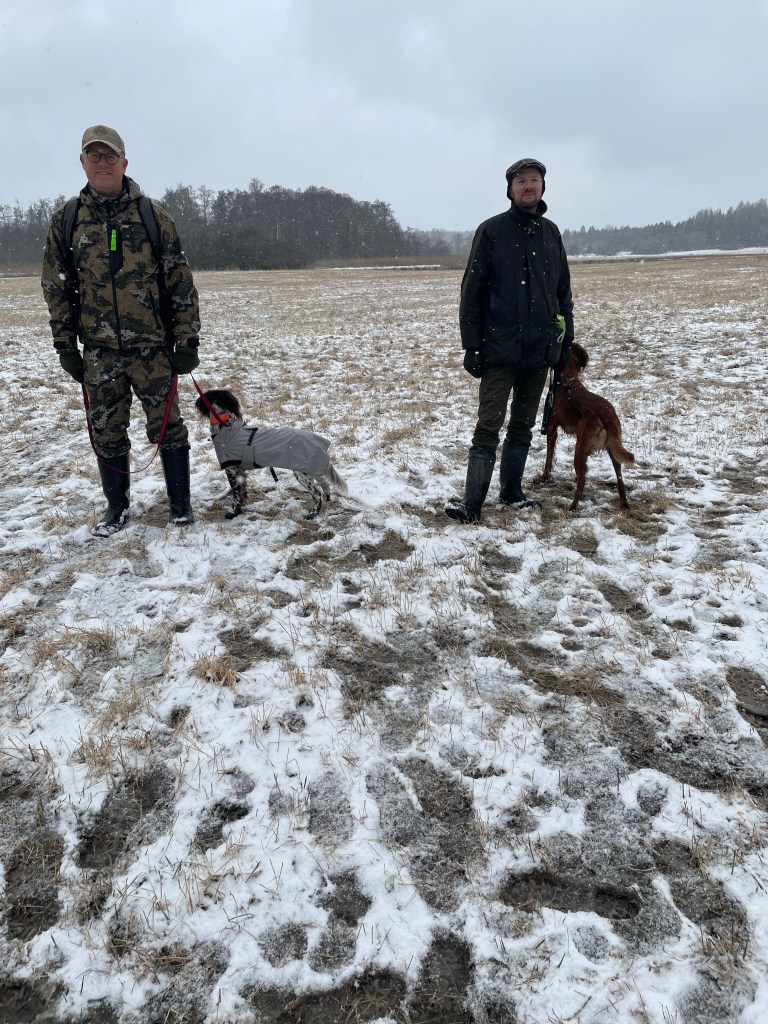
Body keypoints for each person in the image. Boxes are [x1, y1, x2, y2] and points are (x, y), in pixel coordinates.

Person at [41, 124, 201, 534]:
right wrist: (65, 346)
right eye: (94, 155)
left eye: (110, 155)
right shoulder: (67, 221)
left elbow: (179, 282)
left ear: (124, 162)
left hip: (153, 350)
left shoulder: (153, 216)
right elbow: (56, 288)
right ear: (82, 162)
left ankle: (180, 505)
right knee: (107, 432)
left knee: (168, 429)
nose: (103, 163)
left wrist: (187, 340)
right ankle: (117, 508)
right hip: (99, 353)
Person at [445, 158, 574, 524]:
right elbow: (471, 292)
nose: (528, 186)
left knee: (522, 426)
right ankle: (472, 504)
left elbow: (563, 293)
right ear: (510, 189)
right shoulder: (491, 231)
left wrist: (565, 342)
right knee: (488, 426)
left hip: (539, 351)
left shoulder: (551, 234)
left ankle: (512, 492)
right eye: (521, 181)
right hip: (498, 349)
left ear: (542, 187)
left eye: (534, 180)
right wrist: (472, 345)